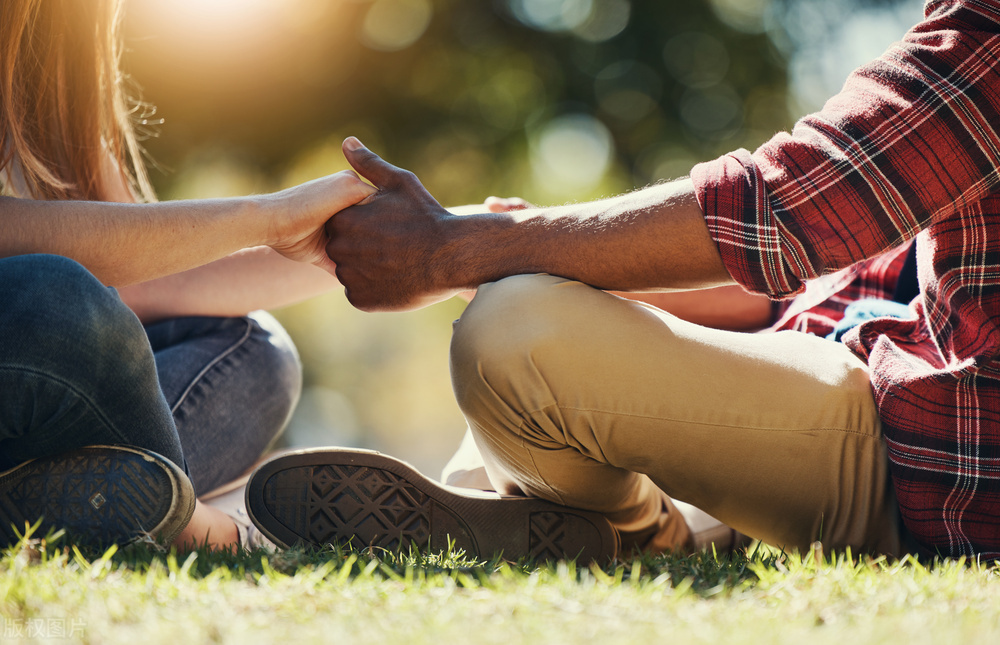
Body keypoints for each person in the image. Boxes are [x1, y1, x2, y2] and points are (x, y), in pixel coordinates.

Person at [246, 0, 1000, 560]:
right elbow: (785, 278)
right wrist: (537, 248)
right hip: (837, 384)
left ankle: (631, 531)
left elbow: (786, 205)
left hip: (925, 469)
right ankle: (561, 517)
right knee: (533, 318)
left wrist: (456, 248)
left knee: (515, 334)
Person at [0, 0, 375, 550]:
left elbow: (133, 283)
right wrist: (267, 216)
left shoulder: (56, 47)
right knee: (58, 300)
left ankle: (68, 499)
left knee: (252, 346)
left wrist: (440, 245)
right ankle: (191, 525)